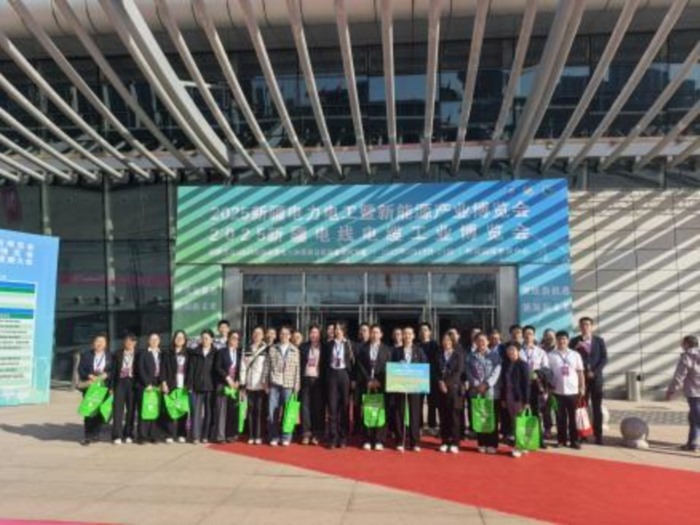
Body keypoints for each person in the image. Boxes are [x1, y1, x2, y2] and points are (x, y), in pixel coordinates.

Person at [570, 317, 608, 445]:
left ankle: (598, 435)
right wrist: (575, 348)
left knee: (597, 408)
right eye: (582, 325)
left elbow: (604, 359)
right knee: (581, 407)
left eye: (587, 324)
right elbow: (570, 357)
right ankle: (582, 434)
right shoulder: (574, 341)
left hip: (596, 379)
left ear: (591, 326)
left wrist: (594, 372)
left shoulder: (599, 341)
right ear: (580, 327)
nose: (585, 327)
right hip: (581, 379)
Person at [356, 324, 392, 451]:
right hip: (367, 384)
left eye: (377, 332)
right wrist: (368, 380)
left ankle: (379, 440)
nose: (374, 335)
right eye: (373, 332)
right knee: (368, 411)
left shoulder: (387, 350)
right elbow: (360, 365)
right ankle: (367, 438)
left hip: (381, 384)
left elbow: (388, 367)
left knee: (381, 411)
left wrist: (379, 381)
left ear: (381, 334)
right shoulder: (363, 349)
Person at [465, 333, 502, 454]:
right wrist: (476, 384)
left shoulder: (495, 355)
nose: (481, 343)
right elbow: (468, 372)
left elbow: (496, 371)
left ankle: (492, 444)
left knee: (491, 418)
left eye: (483, 341)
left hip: (491, 391)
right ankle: (481, 442)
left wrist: (487, 384)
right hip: (477, 391)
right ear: (475, 342)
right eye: (478, 341)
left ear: (488, 342)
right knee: (480, 417)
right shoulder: (471, 356)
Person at [392, 326, 427, 452]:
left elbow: (424, 366)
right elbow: (391, 367)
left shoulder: (419, 351)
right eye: (405, 334)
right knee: (399, 413)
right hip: (400, 386)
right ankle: (400, 440)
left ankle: (415, 441)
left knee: (414, 413)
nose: (407, 336)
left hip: (415, 386)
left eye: (409, 334)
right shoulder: (396, 351)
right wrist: (398, 366)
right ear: (402, 336)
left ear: (413, 336)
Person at [265, 326, 301, 446]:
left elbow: (297, 369)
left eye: (287, 334)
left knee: (288, 411)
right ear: (279, 335)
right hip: (274, 384)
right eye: (282, 333)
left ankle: (286, 437)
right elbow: (267, 366)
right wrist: (266, 382)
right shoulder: (273, 348)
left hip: (288, 384)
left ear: (290, 336)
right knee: (272, 412)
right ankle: (274, 436)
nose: (284, 336)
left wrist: (296, 385)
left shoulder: (295, 350)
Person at [549, 331, 585, 450]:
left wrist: (582, 387)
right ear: (556, 340)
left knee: (573, 417)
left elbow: (580, 372)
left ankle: (574, 440)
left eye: (564, 339)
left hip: (573, 391)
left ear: (568, 340)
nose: (562, 341)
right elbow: (548, 373)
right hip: (557, 390)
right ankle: (561, 440)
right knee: (560, 417)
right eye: (559, 339)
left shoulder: (575, 354)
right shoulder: (551, 355)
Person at [665, 335, 700, 452]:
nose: (681, 345)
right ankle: (692, 443)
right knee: (693, 418)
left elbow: (679, 376)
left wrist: (671, 391)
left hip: (694, 392)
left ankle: (692, 444)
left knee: (696, 418)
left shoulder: (687, 356)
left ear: (687, 344)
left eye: (682, 343)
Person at [77, 334, 112, 445]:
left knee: (100, 411)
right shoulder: (86, 355)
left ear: (106, 344)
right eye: (97, 341)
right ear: (93, 343)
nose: (99, 344)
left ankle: (96, 433)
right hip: (90, 387)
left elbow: (113, 370)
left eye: (102, 342)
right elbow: (80, 369)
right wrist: (89, 375)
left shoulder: (110, 356)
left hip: (104, 387)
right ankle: (88, 436)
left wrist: (107, 375)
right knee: (89, 411)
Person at [325, 321, 355, 449]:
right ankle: (333, 437)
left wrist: (353, 379)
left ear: (344, 331)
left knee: (344, 406)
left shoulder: (349, 344)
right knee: (332, 407)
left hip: (344, 375)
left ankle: (343, 437)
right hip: (332, 374)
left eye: (340, 329)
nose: (337, 331)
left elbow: (354, 363)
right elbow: (324, 362)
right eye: (336, 329)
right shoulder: (328, 344)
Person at [520, 326, 550, 449]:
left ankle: (539, 439)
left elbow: (546, 368)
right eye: (526, 334)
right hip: (521, 386)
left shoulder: (541, 352)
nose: (528, 336)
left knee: (536, 413)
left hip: (535, 386)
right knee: (521, 412)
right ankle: (523, 438)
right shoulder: (518, 351)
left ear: (534, 336)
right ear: (523, 335)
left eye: (531, 334)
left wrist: (538, 373)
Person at [187, 329, 218, 444]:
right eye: (203, 338)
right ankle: (196, 436)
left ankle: (205, 435)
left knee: (209, 412)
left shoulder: (215, 353)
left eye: (207, 338)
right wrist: (190, 385)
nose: (204, 340)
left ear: (212, 339)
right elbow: (191, 369)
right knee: (196, 412)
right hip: (197, 386)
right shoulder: (195, 352)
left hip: (210, 387)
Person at [136, 333, 167, 444]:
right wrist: (147, 383)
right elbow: (140, 369)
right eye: (152, 339)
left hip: (157, 384)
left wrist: (163, 383)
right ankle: (142, 436)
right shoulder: (143, 353)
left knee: (155, 410)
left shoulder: (162, 353)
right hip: (145, 385)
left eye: (156, 339)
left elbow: (164, 369)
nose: (154, 341)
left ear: (159, 341)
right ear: (148, 341)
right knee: (144, 410)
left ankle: (153, 435)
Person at [240, 326, 268, 445]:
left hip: (261, 385)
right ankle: (251, 435)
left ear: (263, 336)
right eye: (255, 333)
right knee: (250, 410)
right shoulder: (246, 349)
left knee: (260, 410)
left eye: (259, 333)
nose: (257, 335)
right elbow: (243, 367)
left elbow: (267, 367)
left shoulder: (266, 349)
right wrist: (242, 383)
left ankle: (259, 435)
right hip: (249, 385)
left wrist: (265, 382)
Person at [501, 343, 530, 458]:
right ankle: (522, 445)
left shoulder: (523, 365)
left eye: (513, 350)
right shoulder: (505, 364)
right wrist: (503, 398)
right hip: (508, 397)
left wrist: (526, 401)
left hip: (518, 398)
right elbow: (503, 383)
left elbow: (526, 384)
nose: (511, 352)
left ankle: (519, 447)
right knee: (514, 423)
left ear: (518, 351)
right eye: (509, 350)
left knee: (519, 423)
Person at [214, 330, 242, 443]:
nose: (235, 340)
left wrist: (238, 381)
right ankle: (220, 436)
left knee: (232, 411)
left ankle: (230, 434)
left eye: (237, 339)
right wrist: (228, 378)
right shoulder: (221, 352)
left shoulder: (239, 353)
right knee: (221, 411)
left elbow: (240, 369)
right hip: (223, 384)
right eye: (233, 337)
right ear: (228, 338)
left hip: (234, 386)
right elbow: (218, 367)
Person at [437, 333, 463, 454]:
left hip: (454, 389)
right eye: (444, 340)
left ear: (452, 342)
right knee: (443, 416)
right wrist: (440, 382)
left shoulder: (458, 355)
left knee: (454, 417)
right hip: (440, 389)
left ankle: (455, 442)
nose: (446, 342)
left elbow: (458, 372)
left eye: (449, 340)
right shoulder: (438, 355)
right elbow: (435, 370)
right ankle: (445, 441)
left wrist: (446, 383)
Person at [299, 325, 325, 446]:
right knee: (305, 407)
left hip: (319, 381)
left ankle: (317, 434)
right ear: (309, 334)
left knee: (317, 408)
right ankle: (306, 433)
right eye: (312, 332)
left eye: (316, 332)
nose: (314, 335)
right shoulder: (303, 347)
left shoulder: (324, 347)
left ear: (320, 334)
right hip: (305, 379)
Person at [110, 333, 138, 445]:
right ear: (124, 342)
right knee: (118, 410)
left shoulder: (139, 354)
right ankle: (117, 435)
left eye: (132, 341)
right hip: (120, 383)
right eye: (127, 341)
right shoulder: (117, 354)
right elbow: (113, 371)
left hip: (132, 384)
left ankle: (128, 434)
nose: (129, 343)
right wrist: (111, 386)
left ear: (135, 343)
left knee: (131, 410)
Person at [163, 330, 189, 443]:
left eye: (182, 337)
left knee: (182, 409)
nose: (179, 339)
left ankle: (181, 434)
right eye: (177, 337)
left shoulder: (188, 353)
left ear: (185, 340)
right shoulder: (168, 353)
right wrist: (164, 383)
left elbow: (191, 369)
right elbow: (163, 369)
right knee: (170, 409)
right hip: (171, 384)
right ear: (174, 339)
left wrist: (189, 384)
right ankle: (169, 434)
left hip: (183, 385)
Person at [418, 322, 440, 433]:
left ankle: (432, 425)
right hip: (419, 379)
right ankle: (419, 425)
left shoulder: (435, 345)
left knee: (432, 403)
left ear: (430, 332)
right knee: (419, 403)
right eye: (422, 330)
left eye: (426, 330)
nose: (423, 332)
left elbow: (437, 362)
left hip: (432, 378)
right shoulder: (416, 346)